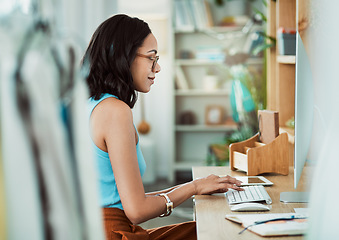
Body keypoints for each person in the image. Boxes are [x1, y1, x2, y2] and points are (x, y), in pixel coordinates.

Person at [82, 14, 243, 240]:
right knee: (221, 231)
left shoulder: (90, 103)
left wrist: (194, 185)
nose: (157, 68)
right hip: (113, 233)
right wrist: (194, 188)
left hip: (99, 229)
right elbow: (137, 210)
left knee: (208, 229)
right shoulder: (114, 111)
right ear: (124, 57)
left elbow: (125, 199)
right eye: (151, 58)